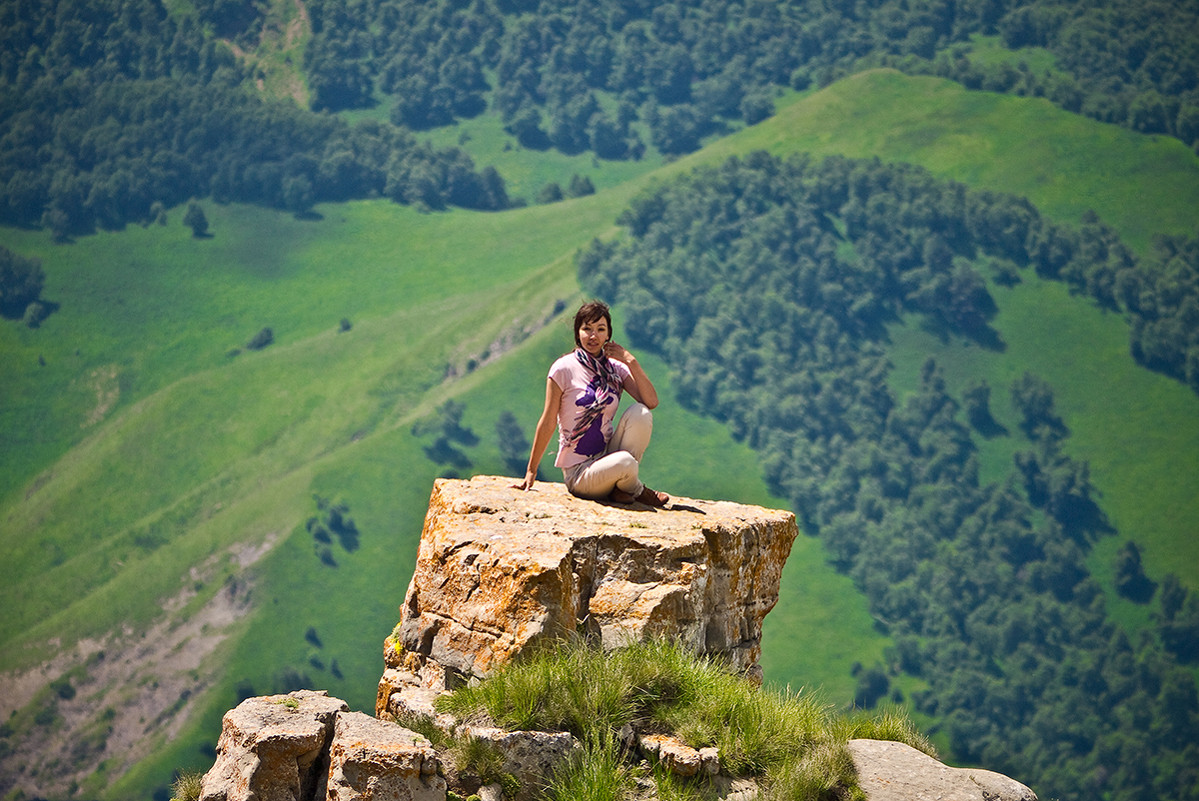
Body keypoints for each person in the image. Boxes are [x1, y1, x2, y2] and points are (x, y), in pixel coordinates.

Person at [517, 301, 670, 507]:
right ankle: (637, 490)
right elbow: (548, 420)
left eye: (600, 329)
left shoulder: (615, 368)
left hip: (607, 457)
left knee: (641, 413)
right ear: (577, 333)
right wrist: (531, 470)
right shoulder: (563, 369)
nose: (593, 336)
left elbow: (651, 401)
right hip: (581, 473)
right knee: (625, 462)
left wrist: (630, 361)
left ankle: (619, 487)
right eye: (586, 329)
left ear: (608, 334)